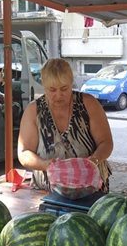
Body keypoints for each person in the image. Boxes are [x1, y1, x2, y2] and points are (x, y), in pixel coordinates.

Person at [18, 58, 113, 191]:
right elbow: (24, 153)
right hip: (47, 190)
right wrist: (45, 165)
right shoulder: (33, 111)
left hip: (90, 188)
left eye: (64, 88)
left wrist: (93, 161)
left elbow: (106, 143)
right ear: (44, 85)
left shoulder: (88, 104)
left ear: (71, 83)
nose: (58, 95)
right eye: (52, 90)